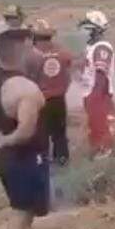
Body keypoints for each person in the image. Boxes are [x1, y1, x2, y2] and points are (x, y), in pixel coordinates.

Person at [0, 28, 48, 229]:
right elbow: (25, 130)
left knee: (23, 212)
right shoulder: (24, 89)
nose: (37, 52)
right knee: (21, 213)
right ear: (22, 51)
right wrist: (6, 141)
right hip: (22, 157)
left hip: (9, 157)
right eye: (31, 47)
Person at [26, 19, 73, 165]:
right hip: (59, 98)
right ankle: (62, 159)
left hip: (40, 99)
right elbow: (68, 73)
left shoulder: (31, 55)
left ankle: (43, 161)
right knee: (59, 133)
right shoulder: (63, 51)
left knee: (41, 134)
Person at [78, 10, 115, 158]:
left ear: (94, 29)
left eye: (87, 26)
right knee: (94, 126)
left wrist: (95, 96)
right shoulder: (92, 46)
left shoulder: (101, 47)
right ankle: (97, 151)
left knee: (100, 126)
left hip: (98, 93)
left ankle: (104, 154)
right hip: (91, 93)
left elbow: (101, 74)